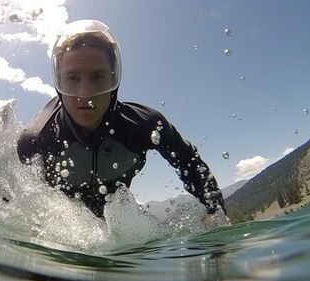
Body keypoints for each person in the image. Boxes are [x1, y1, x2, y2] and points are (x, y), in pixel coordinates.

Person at [17, 20, 228, 227]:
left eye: (97, 77)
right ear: (59, 81)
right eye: (72, 78)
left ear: (113, 78)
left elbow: (188, 159)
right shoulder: (36, 140)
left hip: (116, 224)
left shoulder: (145, 125)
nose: (85, 94)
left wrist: (214, 211)